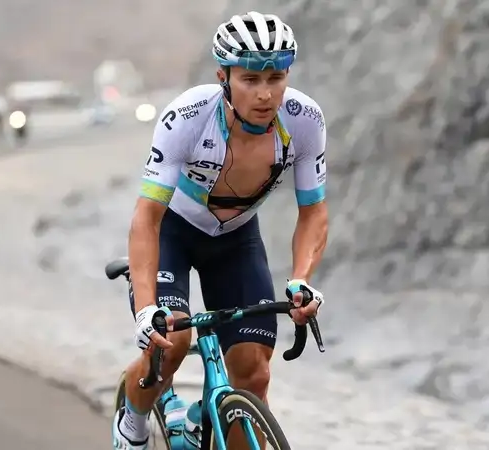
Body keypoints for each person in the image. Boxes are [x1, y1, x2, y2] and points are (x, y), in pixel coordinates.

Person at [113, 11, 329, 450]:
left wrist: (302, 279)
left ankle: (206, 417)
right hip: (173, 232)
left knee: (254, 373)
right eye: (250, 79)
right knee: (171, 341)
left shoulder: (305, 120)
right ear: (223, 77)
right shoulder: (188, 117)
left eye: (276, 78)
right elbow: (147, 217)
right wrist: (146, 308)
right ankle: (132, 423)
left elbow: (313, 213)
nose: (265, 93)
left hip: (235, 239)